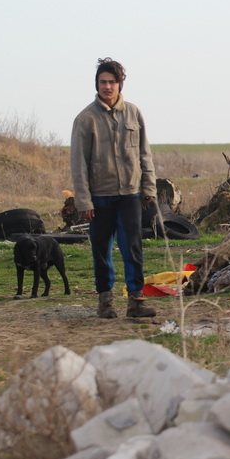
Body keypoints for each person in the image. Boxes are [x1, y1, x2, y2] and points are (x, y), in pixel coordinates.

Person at [70, 57, 158, 318]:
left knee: (133, 248)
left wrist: (149, 187)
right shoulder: (85, 119)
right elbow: (78, 163)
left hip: (130, 194)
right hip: (100, 198)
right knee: (101, 250)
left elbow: (144, 153)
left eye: (112, 82)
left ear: (121, 84)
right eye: (102, 82)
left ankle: (136, 302)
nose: (107, 86)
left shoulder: (133, 113)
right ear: (96, 84)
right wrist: (83, 201)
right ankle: (105, 301)